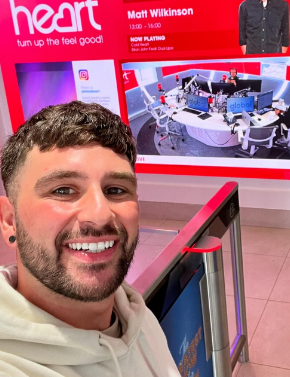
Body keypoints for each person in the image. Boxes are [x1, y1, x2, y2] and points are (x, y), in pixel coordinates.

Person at [0, 101, 181, 376]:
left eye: (116, 189)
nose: (100, 214)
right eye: (63, 190)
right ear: (9, 221)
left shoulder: (137, 318)